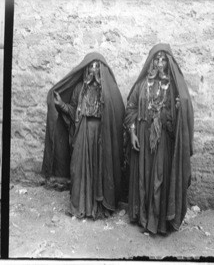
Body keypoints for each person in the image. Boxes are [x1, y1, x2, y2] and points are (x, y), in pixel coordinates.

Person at [42, 52, 125, 219]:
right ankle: (80, 206)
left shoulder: (108, 91)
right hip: (83, 132)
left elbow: (116, 114)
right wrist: (61, 105)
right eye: (90, 67)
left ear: (102, 70)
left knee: (99, 168)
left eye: (97, 67)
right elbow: (74, 112)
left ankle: (98, 208)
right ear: (86, 69)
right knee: (78, 166)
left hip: (101, 135)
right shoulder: (80, 89)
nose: (93, 70)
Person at [125, 43, 194, 234]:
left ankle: (159, 222)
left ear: (168, 63)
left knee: (159, 178)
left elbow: (180, 119)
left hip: (163, 139)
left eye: (164, 60)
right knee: (144, 177)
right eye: (157, 59)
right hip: (143, 137)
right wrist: (132, 133)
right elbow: (130, 109)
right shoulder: (141, 86)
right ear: (151, 62)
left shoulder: (173, 89)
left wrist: (179, 109)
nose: (160, 63)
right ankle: (143, 218)